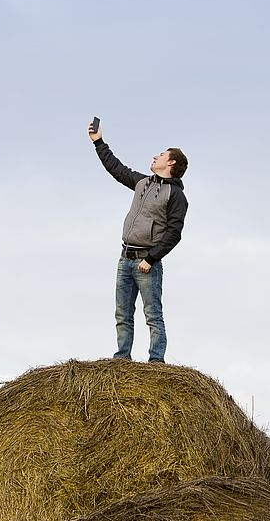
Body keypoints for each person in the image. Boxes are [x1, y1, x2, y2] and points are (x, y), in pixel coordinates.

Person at [88, 120, 188, 363]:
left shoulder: (175, 195)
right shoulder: (142, 183)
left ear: (171, 162)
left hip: (147, 262)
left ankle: (156, 360)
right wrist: (98, 142)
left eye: (162, 154)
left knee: (153, 314)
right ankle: (122, 357)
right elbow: (116, 168)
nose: (156, 156)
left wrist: (152, 258)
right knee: (122, 314)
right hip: (125, 258)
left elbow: (174, 233)